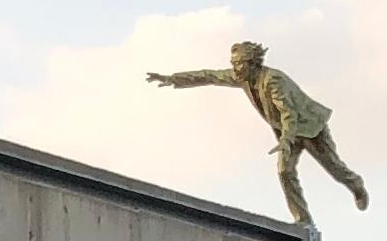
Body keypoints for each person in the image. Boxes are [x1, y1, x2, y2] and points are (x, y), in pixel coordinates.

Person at [148, 40, 370, 227]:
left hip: (311, 128)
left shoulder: (273, 80)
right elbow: (210, 76)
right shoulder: (242, 78)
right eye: (233, 63)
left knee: (335, 168)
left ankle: (356, 185)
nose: (235, 68)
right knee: (284, 171)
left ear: (253, 63)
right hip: (287, 133)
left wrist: (286, 140)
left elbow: (288, 112)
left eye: (239, 63)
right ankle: (303, 219)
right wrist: (172, 78)